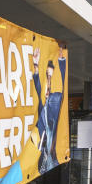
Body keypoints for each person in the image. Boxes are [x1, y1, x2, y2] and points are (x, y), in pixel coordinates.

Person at [31, 45, 66, 173]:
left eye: (51, 77)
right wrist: (35, 65)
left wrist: (62, 62)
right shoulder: (42, 109)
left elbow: (64, 89)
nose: (48, 84)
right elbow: (38, 87)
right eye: (47, 77)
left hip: (55, 162)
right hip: (42, 165)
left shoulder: (55, 100)